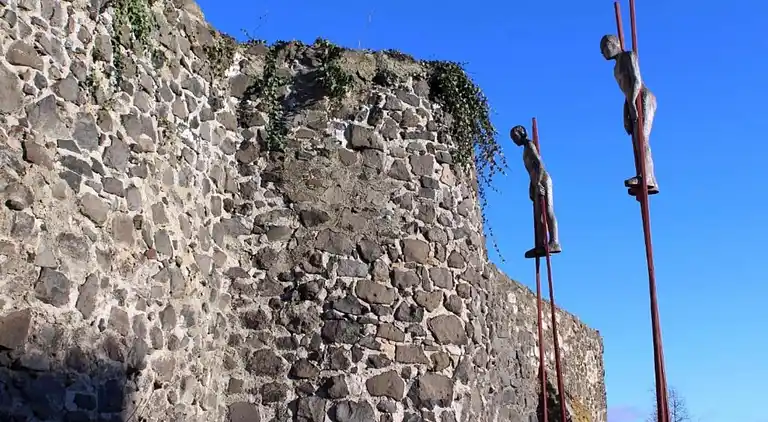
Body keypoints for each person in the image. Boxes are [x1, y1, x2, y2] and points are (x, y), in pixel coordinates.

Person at [600, 34, 659, 195]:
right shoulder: (615, 69)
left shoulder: (629, 56)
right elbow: (626, 92)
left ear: (614, 44)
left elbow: (637, 81)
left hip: (643, 97)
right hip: (631, 99)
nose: (603, 53)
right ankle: (644, 176)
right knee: (636, 140)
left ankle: (648, 177)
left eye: (605, 47)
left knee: (642, 137)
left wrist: (632, 103)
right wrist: (625, 112)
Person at [510, 125, 561, 258]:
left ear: (521, 134)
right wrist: (531, 186)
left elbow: (539, 164)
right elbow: (531, 170)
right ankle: (541, 244)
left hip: (543, 180)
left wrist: (538, 183)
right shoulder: (525, 149)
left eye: (515, 137)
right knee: (538, 215)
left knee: (548, 210)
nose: (514, 140)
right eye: (512, 138)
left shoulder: (530, 145)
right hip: (535, 182)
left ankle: (554, 242)